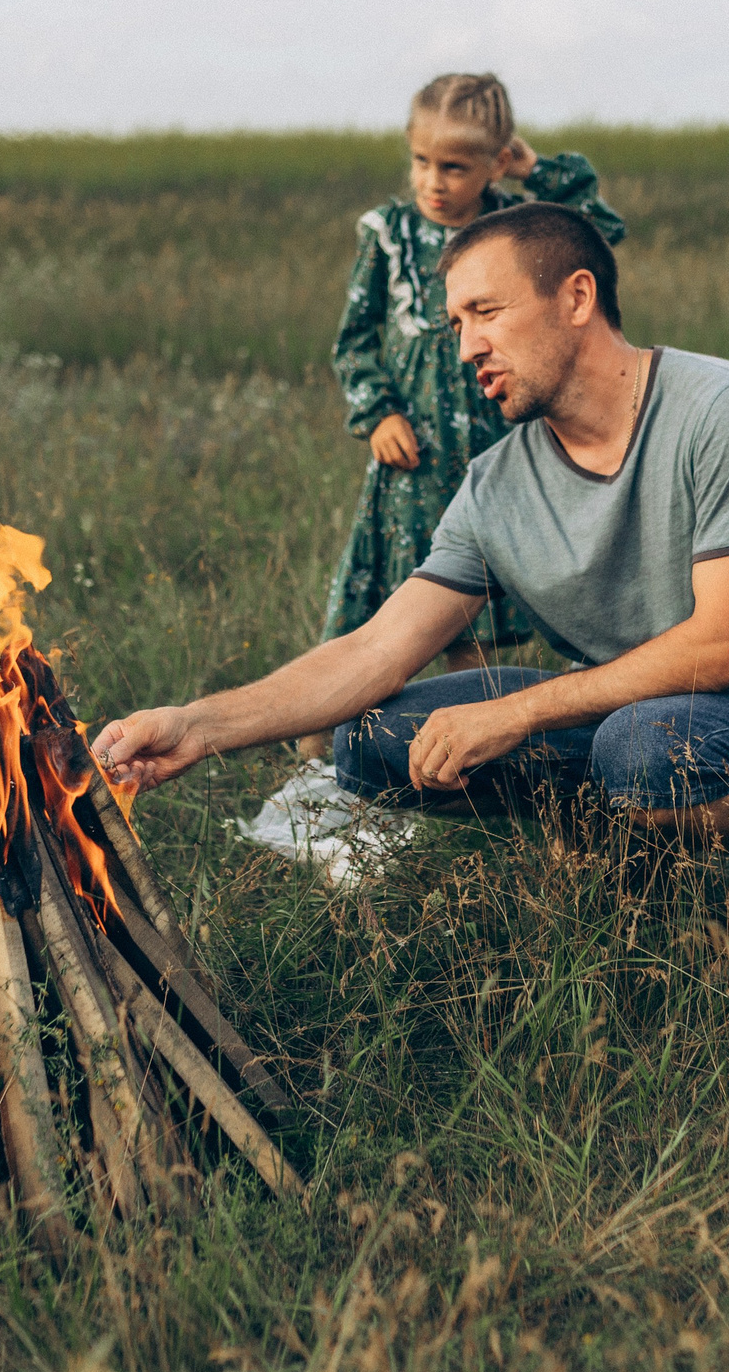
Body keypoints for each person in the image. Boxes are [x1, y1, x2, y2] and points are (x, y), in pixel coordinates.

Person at [102, 201, 729, 909]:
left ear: (577, 297)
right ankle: (614, 833)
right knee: (368, 740)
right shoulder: (497, 483)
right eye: (456, 323)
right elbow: (376, 651)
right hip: (621, 716)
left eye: (487, 313)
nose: (466, 348)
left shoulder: (725, 410)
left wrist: (518, 713)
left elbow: (728, 648)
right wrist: (196, 727)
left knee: (642, 746)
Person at [251, 75, 623, 874]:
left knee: (476, 641)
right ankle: (317, 775)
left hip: (491, 469)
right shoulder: (386, 233)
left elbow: (599, 227)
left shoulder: (512, 233)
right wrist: (376, 411)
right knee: (374, 623)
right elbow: (353, 339)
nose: (433, 182)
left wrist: (535, 174)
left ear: (493, 164)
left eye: (456, 167)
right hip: (408, 472)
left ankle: (475, 782)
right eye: (421, 161)